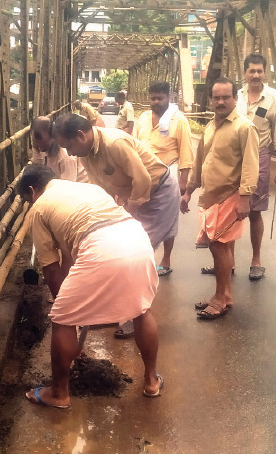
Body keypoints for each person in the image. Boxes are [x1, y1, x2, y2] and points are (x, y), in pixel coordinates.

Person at [19, 164, 164, 409]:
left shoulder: (40, 208)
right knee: (142, 309)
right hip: (136, 239)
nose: (30, 203)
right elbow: (71, 258)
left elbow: (52, 270)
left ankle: (59, 393)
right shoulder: (88, 189)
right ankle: (151, 381)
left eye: (27, 199)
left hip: (99, 245)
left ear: (32, 191)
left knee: (61, 319)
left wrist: (69, 317)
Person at [53, 113, 180, 338]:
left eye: (69, 146)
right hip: (132, 196)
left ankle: (137, 314)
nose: (69, 153)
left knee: (134, 253)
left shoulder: (114, 143)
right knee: (117, 248)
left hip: (158, 192)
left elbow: (142, 179)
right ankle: (117, 311)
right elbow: (100, 189)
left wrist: (130, 212)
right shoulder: (85, 153)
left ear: (81, 135)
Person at [201, 53, 276, 280]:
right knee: (228, 210)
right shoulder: (235, 96)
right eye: (252, 71)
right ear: (245, 73)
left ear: (265, 73)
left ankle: (256, 260)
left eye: (260, 71)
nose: (256, 75)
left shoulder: (273, 98)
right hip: (234, 157)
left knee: (254, 210)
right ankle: (227, 262)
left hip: (260, 156)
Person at [180, 77, 259, 319]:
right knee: (217, 247)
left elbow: (251, 165)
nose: (221, 102)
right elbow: (200, 161)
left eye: (226, 97)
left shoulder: (244, 128)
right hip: (210, 196)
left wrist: (245, 198)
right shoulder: (211, 126)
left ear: (235, 98)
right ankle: (224, 295)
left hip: (230, 194)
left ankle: (221, 298)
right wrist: (189, 190)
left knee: (218, 245)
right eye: (217, 97)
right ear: (211, 100)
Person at [133, 80, 194, 277]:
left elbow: (186, 152)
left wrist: (183, 183)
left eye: (160, 98)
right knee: (141, 214)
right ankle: (145, 255)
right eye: (153, 98)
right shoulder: (143, 118)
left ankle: (166, 259)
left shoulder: (179, 120)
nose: (156, 102)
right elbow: (134, 147)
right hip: (144, 175)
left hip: (169, 174)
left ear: (169, 97)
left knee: (169, 218)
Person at [30, 116, 88, 183]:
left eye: (43, 145)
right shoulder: (39, 144)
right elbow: (37, 170)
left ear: (52, 137)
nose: (40, 149)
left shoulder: (65, 156)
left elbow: (68, 185)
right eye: (36, 144)